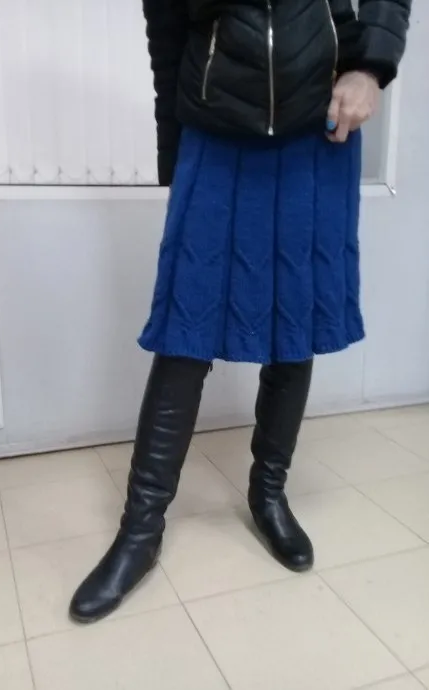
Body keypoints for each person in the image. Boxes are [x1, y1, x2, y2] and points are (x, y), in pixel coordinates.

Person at [70, 0, 412, 623]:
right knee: (184, 330)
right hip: (214, 126)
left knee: (294, 323)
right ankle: (141, 530)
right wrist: (174, 160)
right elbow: (166, 39)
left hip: (320, 126)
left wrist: (371, 67)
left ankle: (268, 494)